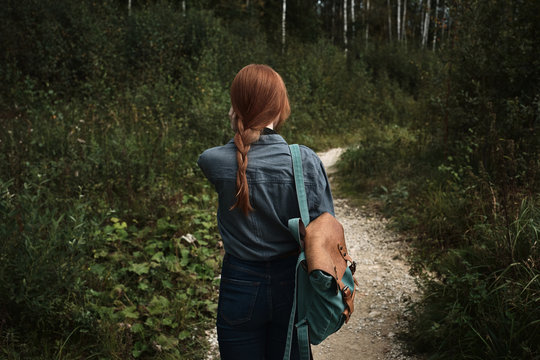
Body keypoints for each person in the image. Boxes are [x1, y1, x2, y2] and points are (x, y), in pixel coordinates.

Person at [197, 64, 334, 360]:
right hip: (293, 284)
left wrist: (239, 124)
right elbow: (325, 230)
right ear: (280, 107)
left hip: (239, 282)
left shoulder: (213, 162)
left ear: (236, 108)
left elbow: (231, 153)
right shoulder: (306, 161)